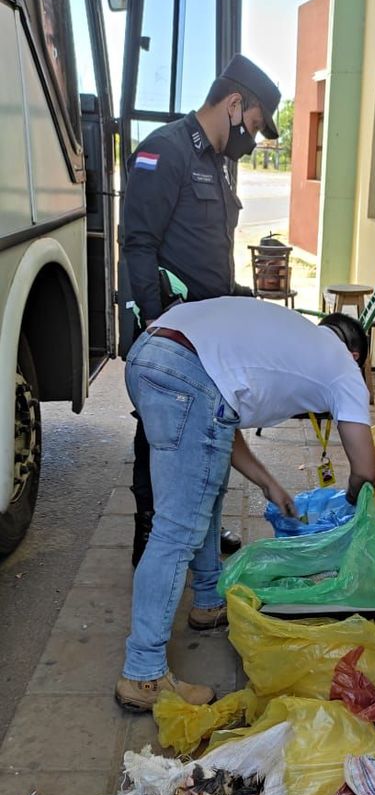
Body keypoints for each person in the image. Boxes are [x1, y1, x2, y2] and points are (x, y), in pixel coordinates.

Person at [115, 298, 375, 712]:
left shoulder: (290, 337)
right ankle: (143, 673)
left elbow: (220, 421)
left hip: (150, 354)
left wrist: (269, 483)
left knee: (207, 487)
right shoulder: (343, 366)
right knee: (176, 529)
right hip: (187, 372)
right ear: (356, 354)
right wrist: (351, 506)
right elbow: (365, 469)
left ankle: (207, 602)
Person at [123, 53, 281, 566]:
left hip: (208, 331)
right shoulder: (164, 152)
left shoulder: (216, 164)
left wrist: (241, 296)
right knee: (160, 434)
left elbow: (205, 251)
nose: (252, 139)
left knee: (210, 431)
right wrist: (156, 323)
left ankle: (201, 536)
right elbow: (139, 246)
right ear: (235, 104)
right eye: (253, 125)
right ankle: (149, 536)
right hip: (171, 330)